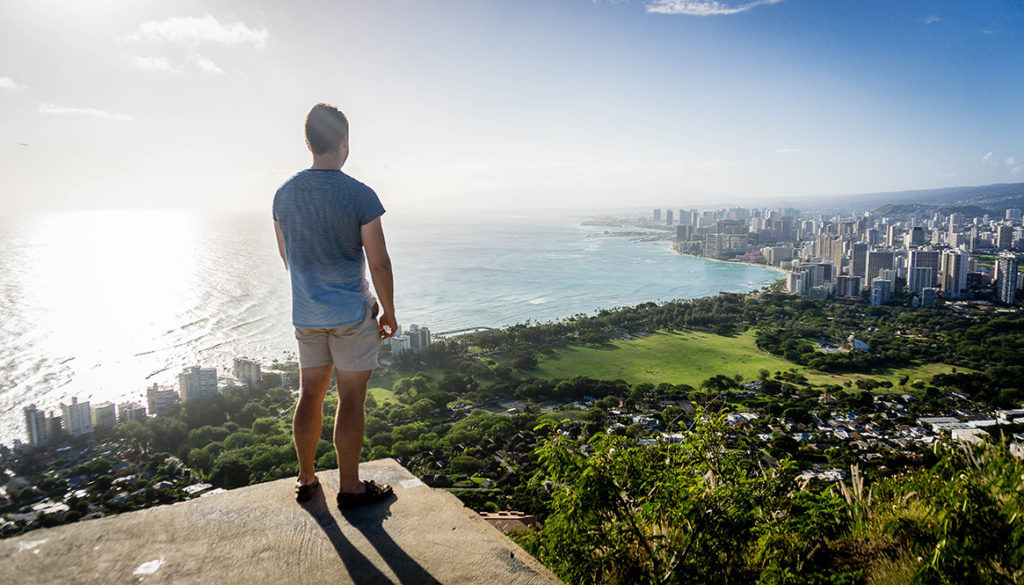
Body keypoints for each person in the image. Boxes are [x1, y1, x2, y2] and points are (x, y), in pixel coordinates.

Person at [273, 103, 397, 507]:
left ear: (308, 141)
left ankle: (306, 479)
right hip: (350, 316)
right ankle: (350, 486)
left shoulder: (284, 195)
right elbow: (378, 262)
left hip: (306, 313)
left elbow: (287, 258)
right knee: (350, 400)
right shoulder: (359, 194)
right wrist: (389, 310)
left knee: (309, 395)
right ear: (344, 141)